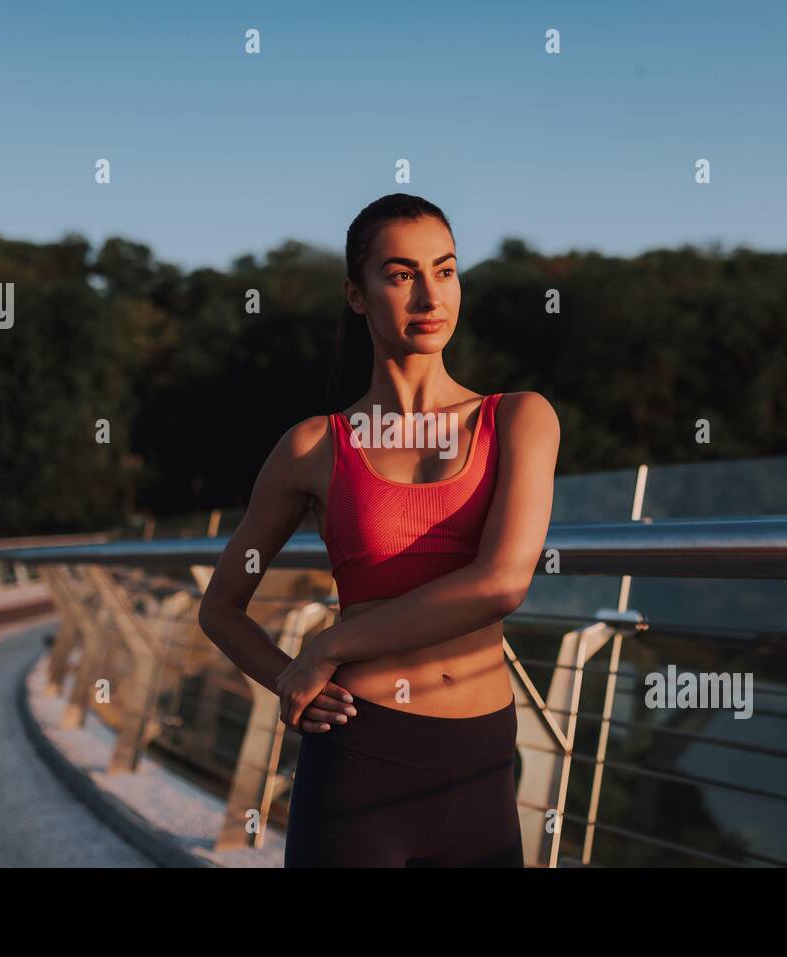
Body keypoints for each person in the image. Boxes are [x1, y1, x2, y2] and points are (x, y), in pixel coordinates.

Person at [199, 193, 559, 867]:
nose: (429, 295)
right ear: (356, 294)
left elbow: (502, 583)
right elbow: (220, 607)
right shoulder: (313, 447)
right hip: (361, 751)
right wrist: (290, 680)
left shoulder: (519, 419)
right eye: (400, 275)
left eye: (445, 270)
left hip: (483, 759)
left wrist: (329, 643)